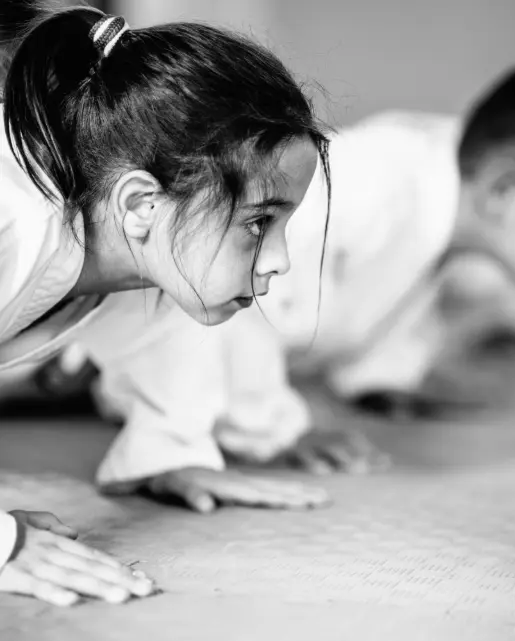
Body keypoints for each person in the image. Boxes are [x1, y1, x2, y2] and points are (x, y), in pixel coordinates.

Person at [69, 63, 515, 477]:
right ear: (503, 188)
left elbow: (405, 296)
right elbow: (228, 276)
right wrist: (275, 429)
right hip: (87, 344)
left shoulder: (443, 211)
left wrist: (383, 380)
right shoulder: (380, 182)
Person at [0, 3, 331, 607]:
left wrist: (168, 451)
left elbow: (154, 337)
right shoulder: (12, 222)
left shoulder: (134, 243)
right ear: (141, 203)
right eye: (259, 222)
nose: (281, 260)